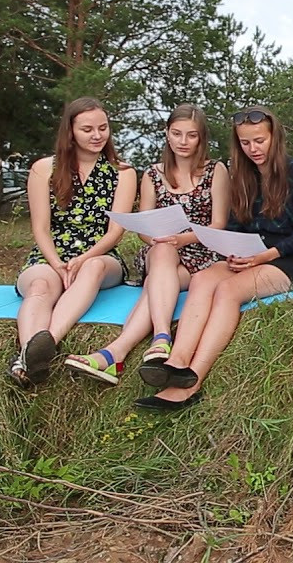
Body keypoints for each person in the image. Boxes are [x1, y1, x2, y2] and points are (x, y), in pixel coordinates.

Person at [134, 106, 293, 410]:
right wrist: (231, 250)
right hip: (248, 253)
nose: (253, 149)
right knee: (204, 277)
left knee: (227, 291)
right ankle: (177, 361)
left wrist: (262, 257)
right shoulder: (241, 174)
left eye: (259, 141)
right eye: (245, 143)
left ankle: (192, 381)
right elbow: (233, 226)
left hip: (287, 259)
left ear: (275, 137)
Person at [65, 105, 229, 385]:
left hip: (200, 253)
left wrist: (183, 238)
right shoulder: (153, 174)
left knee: (157, 284)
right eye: (176, 134)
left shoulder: (216, 170)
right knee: (162, 252)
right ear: (167, 134)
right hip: (159, 250)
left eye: (191, 135)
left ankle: (114, 353)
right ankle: (161, 336)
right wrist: (156, 238)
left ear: (201, 138)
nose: (183, 142)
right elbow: (143, 227)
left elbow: (218, 225)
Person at [8, 97, 137, 388]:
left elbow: (116, 231)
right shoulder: (44, 168)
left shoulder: (123, 172)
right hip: (52, 253)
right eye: (87, 129)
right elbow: (40, 227)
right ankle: (29, 357)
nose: (97, 135)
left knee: (92, 268)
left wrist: (81, 259)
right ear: (71, 132)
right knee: (40, 286)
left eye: (103, 128)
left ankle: (44, 346)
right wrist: (57, 264)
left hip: (101, 253)